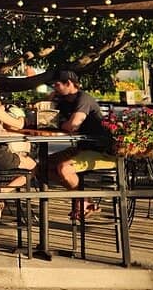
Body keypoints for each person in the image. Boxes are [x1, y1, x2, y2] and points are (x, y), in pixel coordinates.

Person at [47, 69, 116, 219]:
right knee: (42, 167)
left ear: (69, 84)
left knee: (64, 168)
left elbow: (73, 125)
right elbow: (47, 119)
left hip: (101, 150)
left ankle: (82, 201)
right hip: (82, 148)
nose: (54, 88)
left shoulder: (83, 98)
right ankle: (84, 201)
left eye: (57, 85)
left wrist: (60, 124)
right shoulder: (63, 101)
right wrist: (50, 101)